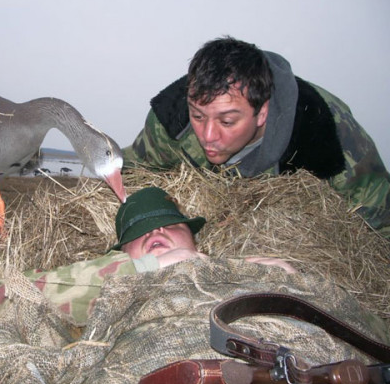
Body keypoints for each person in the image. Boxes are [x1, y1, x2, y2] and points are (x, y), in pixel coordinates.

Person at [123, 37, 390, 239]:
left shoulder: (328, 138)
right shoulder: (172, 118)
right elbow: (133, 171)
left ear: (262, 112)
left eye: (227, 121)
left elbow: (379, 221)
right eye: (198, 116)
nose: (208, 136)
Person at [0, 186, 295, 335]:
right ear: (122, 254)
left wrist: (241, 270)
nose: (156, 232)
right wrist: (142, 270)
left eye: (171, 225)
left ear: (194, 240)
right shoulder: (105, 285)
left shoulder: (230, 272)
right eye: (140, 233)